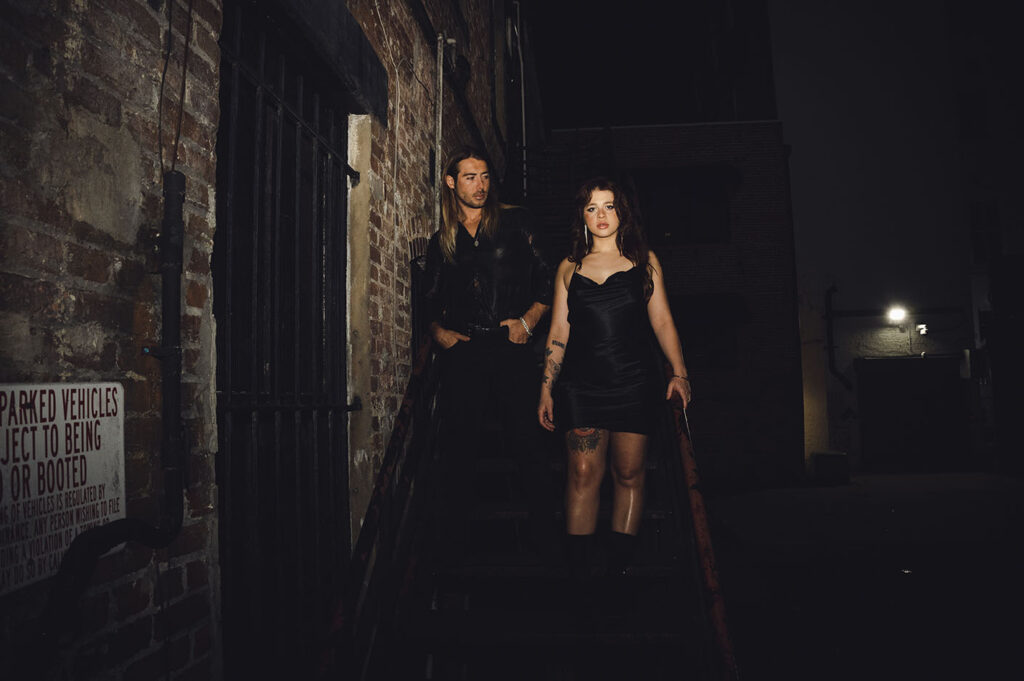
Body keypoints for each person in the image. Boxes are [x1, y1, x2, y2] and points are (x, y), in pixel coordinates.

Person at [537, 177, 692, 580]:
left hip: (634, 381)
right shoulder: (569, 268)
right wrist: (546, 389)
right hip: (580, 385)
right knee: (584, 473)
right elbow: (558, 332)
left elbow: (662, 320)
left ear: (622, 210)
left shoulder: (644, 260)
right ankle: (581, 573)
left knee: (629, 473)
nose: (601, 215)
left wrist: (679, 373)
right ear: (581, 216)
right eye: (591, 207)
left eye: (608, 206)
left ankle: (617, 569)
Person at [424, 146, 553, 558]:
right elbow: (429, 299)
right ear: (450, 182)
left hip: (511, 346)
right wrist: (438, 332)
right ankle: (454, 547)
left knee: (527, 444)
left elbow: (547, 280)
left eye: (484, 177)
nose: (480, 185)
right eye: (469, 177)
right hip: (465, 352)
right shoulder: (442, 239)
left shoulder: (516, 221)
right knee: (459, 448)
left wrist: (529, 322)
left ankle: (545, 542)